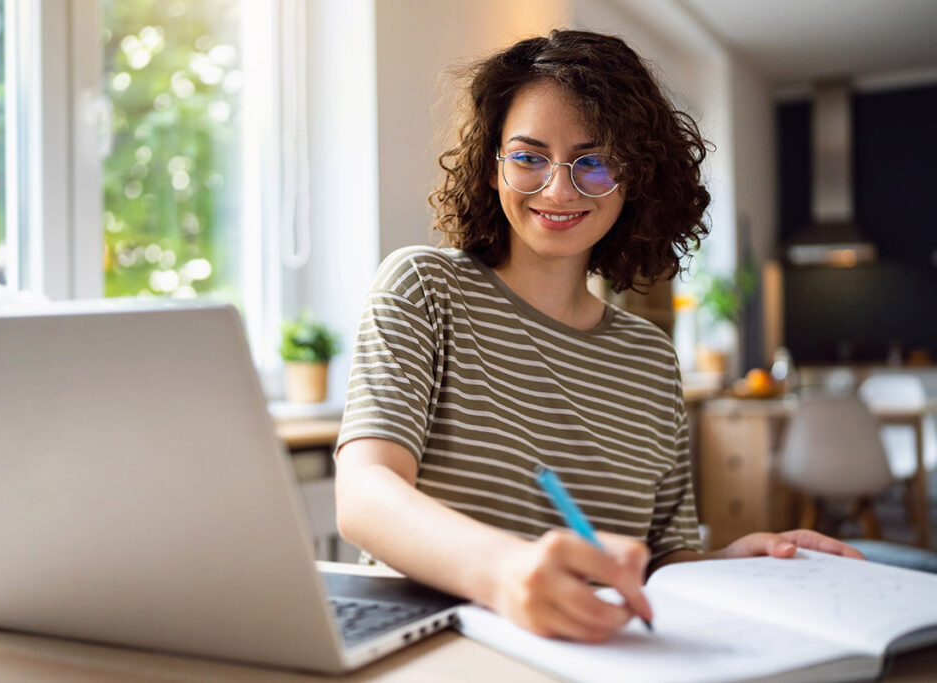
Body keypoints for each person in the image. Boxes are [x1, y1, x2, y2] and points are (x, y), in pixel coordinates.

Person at [333, 29, 863, 644]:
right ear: (492, 163)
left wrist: (734, 566)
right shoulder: (424, 287)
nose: (559, 190)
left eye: (594, 161)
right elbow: (366, 495)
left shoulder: (649, 359)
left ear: (635, 177)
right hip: (435, 648)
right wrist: (505, 572)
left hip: (596, 652)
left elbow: (663, 560)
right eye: (529, 156)